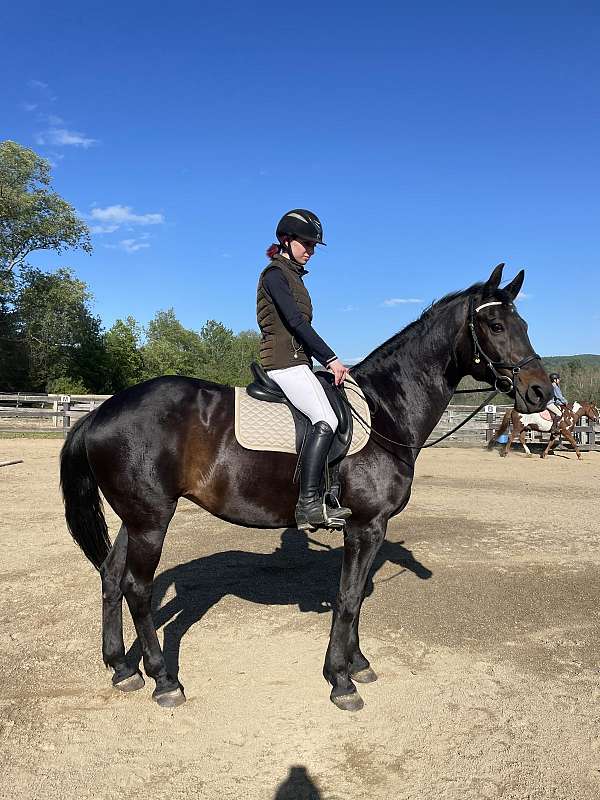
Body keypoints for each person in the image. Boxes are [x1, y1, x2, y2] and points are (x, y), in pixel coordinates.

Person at [256, 209, 352, 530]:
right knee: (327, 418)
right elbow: (296, 323)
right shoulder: (274, 275)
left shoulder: (293, 276)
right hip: (283, 362)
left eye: (313, 246)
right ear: (286, 240)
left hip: (297, 361)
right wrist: (330, 358)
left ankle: (330, 491)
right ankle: (308, 504)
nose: (310, 250)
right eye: (306, 243)